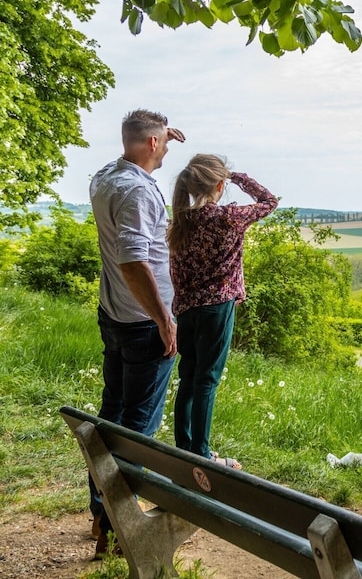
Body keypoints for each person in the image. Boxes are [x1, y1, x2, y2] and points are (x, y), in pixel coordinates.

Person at [89, 109, 184, 557]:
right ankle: (117, 528)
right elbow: (132, 261)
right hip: (143, 323)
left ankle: (100, 514)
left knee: (111, 418)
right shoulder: (138, 193)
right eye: (163, 141)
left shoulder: (107, 177)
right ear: (150, 144)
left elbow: (137, 150)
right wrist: (165, 319)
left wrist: (163, 134)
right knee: (136, 428)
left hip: (114, 315)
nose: (167, 146)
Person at [168, 154, 278, 468]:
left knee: (188, 378)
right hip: (217, 307)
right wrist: (238, 177)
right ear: (220, 184)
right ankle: (200, 455)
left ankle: (184, 447)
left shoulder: (180, 221)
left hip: (186, 309)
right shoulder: (228, 217)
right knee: (207, 380)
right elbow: (269, 201)